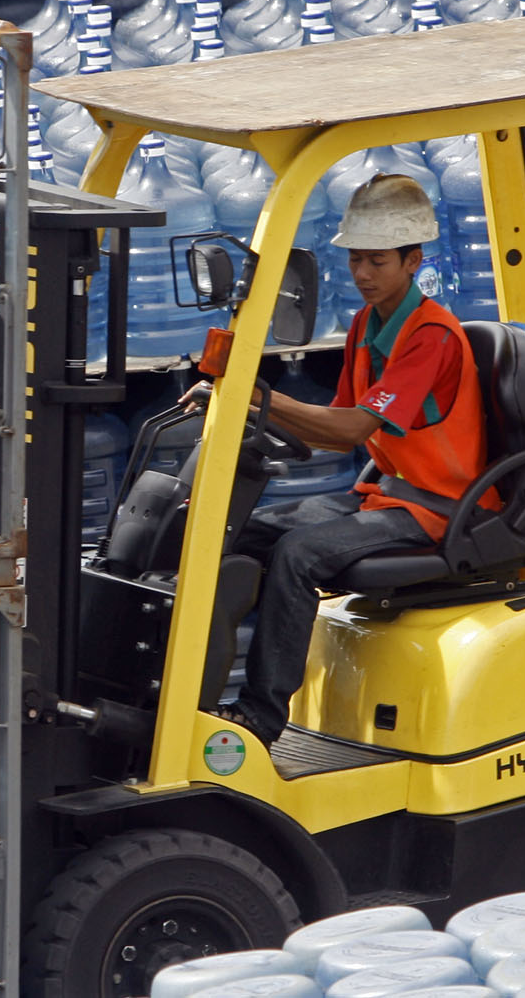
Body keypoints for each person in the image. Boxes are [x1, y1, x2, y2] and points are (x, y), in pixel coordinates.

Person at [197, 173, 491, 746]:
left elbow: (355, 425)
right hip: (388, 493)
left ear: (413, 261)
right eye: (356, 260)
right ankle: (191, 687)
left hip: (437, 507)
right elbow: (335, 434)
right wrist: (234, 402)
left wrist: (257, 394)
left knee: (298, 555)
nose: (361, 275)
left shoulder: (432, 337)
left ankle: (259, 718)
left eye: (377, 262)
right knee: (235, 532)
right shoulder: (365, 325)